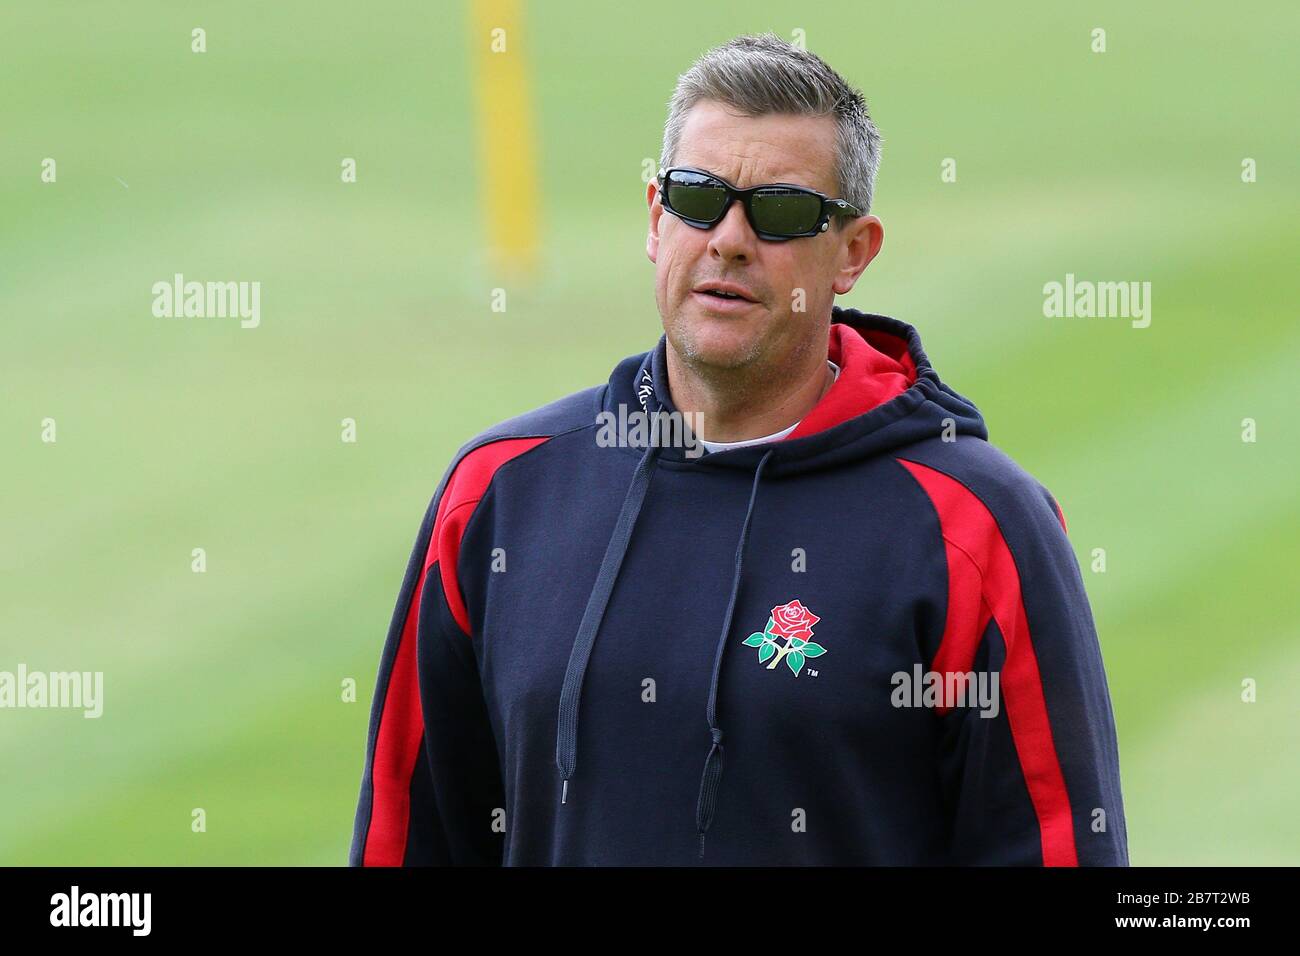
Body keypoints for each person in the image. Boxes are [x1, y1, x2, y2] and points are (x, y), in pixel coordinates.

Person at [349, 33, 1128, 866]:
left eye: (781, 211)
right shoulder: (499, 496)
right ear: (656, 218)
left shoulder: (977, 528)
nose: (727, 239)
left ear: (853, 254)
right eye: (697, 198)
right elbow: (412, 837)